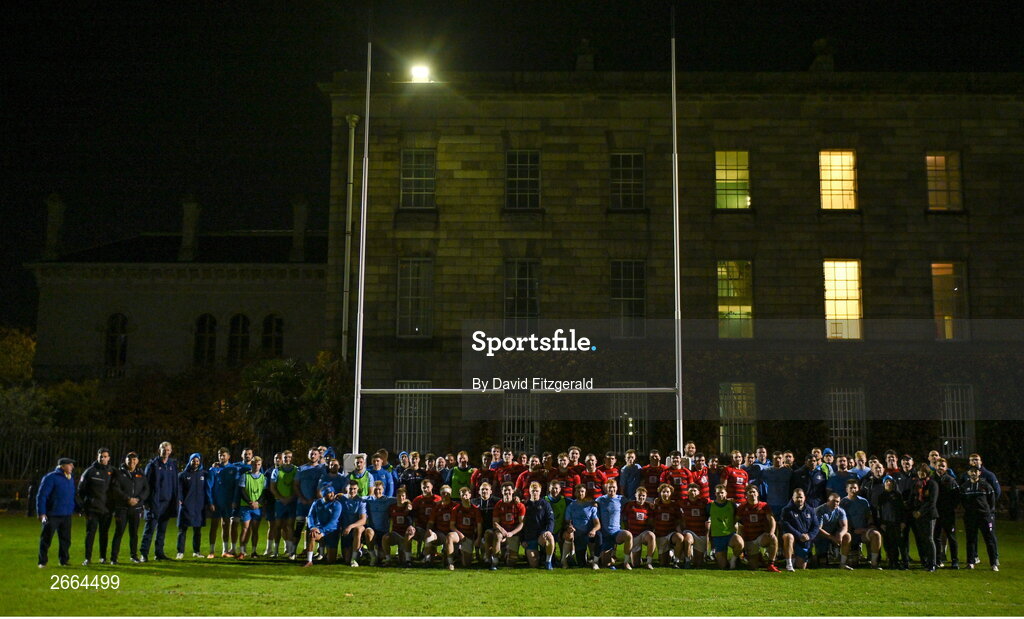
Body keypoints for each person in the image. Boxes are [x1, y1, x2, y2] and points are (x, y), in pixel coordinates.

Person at [141, 441, 179, 561]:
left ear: (171, 451)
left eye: (168, 450)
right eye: (163, 449)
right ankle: (144, 554)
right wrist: (146, 502)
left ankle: (159, 553)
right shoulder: (152, 465)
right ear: (159, 450)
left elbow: (175, 484)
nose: (166, 452)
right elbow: (146, 485)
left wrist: (175, 500)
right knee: (150, 529)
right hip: (155, 503)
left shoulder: (172, 465)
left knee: (162, 530)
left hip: (167, 503)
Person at [110, 452, 149, 564]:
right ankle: (114, 558)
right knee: (119, 533)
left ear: (137, 461)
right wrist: (127, 498)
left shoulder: (140, 474)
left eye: (134, 460)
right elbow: (115, 488)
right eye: (130, 459)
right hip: (122, 508)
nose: (132, 462)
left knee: (134, 533)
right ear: (125, 460)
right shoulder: (118, 473)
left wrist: (138, 499)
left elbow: (146, 489)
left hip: (135, 509)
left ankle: (134, 556)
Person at [37, 457, 76, 568]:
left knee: (66, 540)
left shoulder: (70, 478)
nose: (72, 467)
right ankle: (42, 562)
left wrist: (76, 508)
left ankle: (64, 561)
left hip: (66, 514)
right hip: (52, 514)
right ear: (62, 466)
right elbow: (42, 496)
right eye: (70, 464)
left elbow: (71, 496)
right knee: (46, 539)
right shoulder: (51, 477)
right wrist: (42, 513)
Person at [77, 447, 114, 566]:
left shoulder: (112, 472)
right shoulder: (90, 471)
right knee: (90, 534)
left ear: (109, 458)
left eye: (104, 456)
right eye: (100, 456)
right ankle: (88, 558)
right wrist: (85, 505)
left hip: (106, 509)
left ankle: (103, 557)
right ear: (97, 457)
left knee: (104, 534)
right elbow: (80, 490)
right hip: (92, 509)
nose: (102, 458)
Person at [960, 466, 999, 571]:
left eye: (975, 471)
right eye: (971, 471)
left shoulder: (985, 485)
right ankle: (970, 562)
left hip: (984, 517)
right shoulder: (964, 486)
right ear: (968, 473)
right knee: (971, 540)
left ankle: (994, 563)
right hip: (970, 517)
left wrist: (989, 513)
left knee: (989, 539)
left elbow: (992, 501)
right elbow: (963, 501)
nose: (973, 473)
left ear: (979, 473)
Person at [840, 477, 882, 569]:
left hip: (862, 532)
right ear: (846, 489)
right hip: (850, 531)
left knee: (876, 535)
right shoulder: (843, 502)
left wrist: (869, 527)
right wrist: (852, 529)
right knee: (846, 536)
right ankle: (843, 563)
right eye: (851, 488)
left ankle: (874, 563)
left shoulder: (863, 501)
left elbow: (869, 516)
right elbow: (841, 520)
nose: (853, 490)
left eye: (855, 487)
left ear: (858, 488)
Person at [206, 447, 240, 558]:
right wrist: (210, 502)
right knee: (214, 525)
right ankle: (211, 551)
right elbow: (209, 487)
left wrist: (234, 500)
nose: (221, 457)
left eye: (224, 455)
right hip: (216, 502)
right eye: (220, 455)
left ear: (229, 456)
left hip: (228, 502)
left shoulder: (234, 469)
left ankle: (225, 551)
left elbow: (236, 487)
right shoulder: (213, 469)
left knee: (225, 525)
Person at [736, 485, 780, 571]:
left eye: (754, 492)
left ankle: (771, 564)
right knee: (754, 567)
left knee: (773, 538)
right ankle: (758, 557)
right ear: (746, 495)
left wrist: (771, 532)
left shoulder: (764, 506)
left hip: (761, 536)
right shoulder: (742, 507)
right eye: (750, 492)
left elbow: (772, 520)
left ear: (757, 494)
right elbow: (735, 521)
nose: (752, 494)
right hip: (749, 539)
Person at [292, 447, 324, 557]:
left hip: (316, 504)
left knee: (315, 527)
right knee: (299, 526)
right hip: (303, 503)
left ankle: (318, 552)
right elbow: (296, 485)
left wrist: (316, 500)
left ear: (319, 455)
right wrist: (302, 498)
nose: (313, 456)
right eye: (311, 454)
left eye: (315, 454)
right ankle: (292, 552)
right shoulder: (301, 469)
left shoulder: (323, 468)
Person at [176, 452, 208, 559]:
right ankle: (180, 552)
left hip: (199, 506)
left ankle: (196, 551)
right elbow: (179, 489)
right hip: (186, 506)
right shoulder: (183, 475)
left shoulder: (204, 474)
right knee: (182, 530)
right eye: (193, 460)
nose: (195, 462)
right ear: (190, 461)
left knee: (197, 531)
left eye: (197, 461)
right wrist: (180, 499)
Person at [779, 487, 820, 571]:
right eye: (797, 497)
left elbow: (816, 526)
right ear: (793, 498)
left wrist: (809, 536)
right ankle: (789, 564)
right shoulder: (786, 510)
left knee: (801, 566)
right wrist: (799, 535)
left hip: (805, 540)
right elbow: (785, 525)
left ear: (804, 498)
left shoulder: (810, 510)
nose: (799, 499)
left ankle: (794, 557)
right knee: (788, 536)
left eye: (801, 497)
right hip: (794, 538)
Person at [303, 483, 342, 567]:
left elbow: (333, 522)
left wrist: (321, 531)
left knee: (331, 560)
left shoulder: (337, 505)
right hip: (319, 529)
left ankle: (325, 554)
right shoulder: (316, 503)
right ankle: (309, 561)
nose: (332, 494)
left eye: (333, 492)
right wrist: (312, 527)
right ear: (324, 494)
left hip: (332, 531)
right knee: (312, 535)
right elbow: (310, 516)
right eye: (329, 492)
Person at [268, 449, 298, 558]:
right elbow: (273, 488)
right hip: (280, 502)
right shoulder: (277, 471)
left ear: (292, 458)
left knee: (290, 526)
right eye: (285, 457)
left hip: (291, 502)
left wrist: (291, 498)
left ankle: (290, 551)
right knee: (278, 526)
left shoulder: (296, 470)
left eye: (289, 457)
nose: (287, 459)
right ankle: (275, 551)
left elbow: (297, 486)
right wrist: (281, 498)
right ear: (282, 458)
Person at [563, 482, 600, 569]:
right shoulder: (571, 506)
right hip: (578, 534)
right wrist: (570, 526)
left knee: (600, 536)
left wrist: (593, 530)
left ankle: (594, 560)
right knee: (581, 563)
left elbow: (597, 524)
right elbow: (567, 521)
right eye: (578, 491)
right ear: (575, 493)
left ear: (585, 492)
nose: (580, 493)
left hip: (589, 533)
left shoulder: (591, 505)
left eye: (582, 491)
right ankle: (578, 557)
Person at [910, 463, 939, 571]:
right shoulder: (916, 484)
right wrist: (913, 510)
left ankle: (932, 563)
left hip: (929, 515)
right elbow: (912, 498)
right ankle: (925, 561)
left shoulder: (932, 484)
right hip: (917, 515)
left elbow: (932, 502)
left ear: (927, 472)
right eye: (919, 471)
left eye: (923, 471)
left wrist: (920, 512)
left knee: (929, 538)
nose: (921, 473)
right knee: (922, 539)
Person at [594, 478, 629, 569]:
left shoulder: (621, 499)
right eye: (609, 487)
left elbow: (635, 503)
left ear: (617, 488)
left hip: (616, 533)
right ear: (606, 488)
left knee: (628, 535)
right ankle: (609, 557)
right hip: (605, 534)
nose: (611, 489)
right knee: (606, 564)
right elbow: (592, 504)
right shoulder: (600, 500)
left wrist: (650, 503)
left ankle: (626, 562)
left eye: (613, 487)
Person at [707, 483, 744, 569]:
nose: (720, 495)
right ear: (715, 494)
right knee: (723, 566)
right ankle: (719, 556)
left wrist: (734, 524)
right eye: (718, 493)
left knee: (740, 543)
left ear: (726, 493)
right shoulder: (710, 506)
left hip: (730, 534)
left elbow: (737, 516)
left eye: (722, 493)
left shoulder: (731, 504)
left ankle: (734, 559)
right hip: (717, 536)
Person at [237, 456, 267, 559]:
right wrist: (250, 502)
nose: (256, 466)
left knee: (255, 530)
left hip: (257, 507)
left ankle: (254, 551)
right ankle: (242, 551)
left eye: (258, 464)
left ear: (261, 465)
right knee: (245, 529)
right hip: (246, 506)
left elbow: (264, 493)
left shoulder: (263, 478)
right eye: (254, 464)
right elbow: (242, 491)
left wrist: (258, 502)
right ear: (251, 464)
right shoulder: (245, 476)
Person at [521, 481, 556, 569]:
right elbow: (521, 524)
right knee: (534, 565)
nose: (535, 493)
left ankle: (548, 561)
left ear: (540, 491)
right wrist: (522, 539)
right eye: (533, 491)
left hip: (542, 535)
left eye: (537, 491)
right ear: (529, 491)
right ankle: (541, 556)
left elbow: (551, 520)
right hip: (530, 536)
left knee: (550, 537)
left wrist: (548, 531)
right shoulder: (525, 505)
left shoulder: (545, 504)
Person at [491, 482, 526, 570]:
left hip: (514, 533)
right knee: (497, 535)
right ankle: (494, 561)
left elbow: (521, 523)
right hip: (503, 531)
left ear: (513, 491)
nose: (507, 492)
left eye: (509, 490)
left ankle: (506, 551)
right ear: (502, 492)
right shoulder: (498, 504)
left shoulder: (519, 505)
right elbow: (495, 522)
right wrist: (502, 530)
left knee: (511, 563)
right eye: (505, 490)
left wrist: (511, 533)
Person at [933, 457, 960, 569]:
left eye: (943, 466)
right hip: (935, 514)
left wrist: (952, 508)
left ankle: (955, 560)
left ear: (946, 468)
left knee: (951, 537)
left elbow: (957, 497)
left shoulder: (951, 480)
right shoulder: (932, 479)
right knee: (936, 537)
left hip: (948, 514)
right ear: (935, 466)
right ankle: (938, 560)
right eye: (939, 465)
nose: (940, 468)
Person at [875, 475, 907, 569]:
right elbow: (879, 511)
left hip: (896, 522)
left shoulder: (897, 495)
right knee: (888, 543)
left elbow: (902, 510)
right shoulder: (881, 496)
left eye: (890, 481)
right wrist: (881, 523)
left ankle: (900, 562)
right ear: (884, 484)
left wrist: (903, 522)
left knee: (898, 543)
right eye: (887, 482)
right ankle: (891, 562)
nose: (889, 483)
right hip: (886, 523)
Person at [813, 491, 851, 569]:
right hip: (820, 536)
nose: (836, 503)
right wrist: (832, 538)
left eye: (837, 501)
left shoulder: (840, 511)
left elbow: (845, 526)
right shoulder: (820, 510)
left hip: (833, 534)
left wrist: (840, 534)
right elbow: (818, 529)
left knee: (847, 535)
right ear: (828, 501)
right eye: (833, 501)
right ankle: (814, 556)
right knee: (822, 563)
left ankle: (843, 562)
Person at [622, 486, 656, 569]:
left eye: (643, 496)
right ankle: (636, 556)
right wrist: (627, 528)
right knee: (635, 564)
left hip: (643, 534)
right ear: (635, 495)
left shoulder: (648, 507)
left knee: (651, 535)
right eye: (639, 495)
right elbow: (624, 517)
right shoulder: (630, 505)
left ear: (646, 497)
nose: (641, 497)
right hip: (633, 535)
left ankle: (648, 562)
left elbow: (651, 520)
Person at [362, 481, 395, 566]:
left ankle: (379, 552)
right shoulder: (369, 499)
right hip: (373, 531)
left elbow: (401, 499)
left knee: (381, 557)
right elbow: (356, 497)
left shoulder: (388, 500)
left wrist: (408, 503)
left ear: (383, 489)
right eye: (375, 489)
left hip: (383, 532)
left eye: (379, 489)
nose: (377, 491)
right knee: (368, 531)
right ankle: (373, 557)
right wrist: (342, 495)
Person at [337, 480, 367, 567]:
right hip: (345, 530)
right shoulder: (341, 499)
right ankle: (359, 551)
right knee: (346, 559)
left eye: (354, 489)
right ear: (347, 489)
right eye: (350, 488)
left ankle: (354, 559)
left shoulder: (361, 501)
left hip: (355, 529)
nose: (352, 491)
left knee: (358, 530)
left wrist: (350, 526)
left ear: (357, 489)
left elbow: (363, 520)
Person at [451, 486, 482, 568]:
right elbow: (452, 526)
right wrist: (460, 534)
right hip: (458, 535)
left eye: (466, 495)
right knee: (450, 536)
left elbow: (479, 525)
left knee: (466, 564)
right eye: (462, 495)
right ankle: (450, 561)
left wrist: (478, 538)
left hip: (469, 536)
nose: (464, 497)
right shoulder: (456, 509)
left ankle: (462, 554)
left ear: (470, 495)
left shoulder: (475, 509)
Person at [384, 486, 415, 566]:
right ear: (396, 496)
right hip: (395, 533)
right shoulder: (392, 507)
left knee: (402, 561)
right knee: (385, 538)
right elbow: (388, 519)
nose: (401, 498)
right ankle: (388, 560)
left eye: (403, 496)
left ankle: (408, 560)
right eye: (399, 496)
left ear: (405, 497)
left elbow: (412, 521)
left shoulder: (409, 507)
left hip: (405, 534)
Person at [428, 484, 458, 568]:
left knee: (464, 561)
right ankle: (427, 560)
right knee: (429, 536)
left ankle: (450, 562)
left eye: (447, 493)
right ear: (440, 494)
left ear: (451, 494)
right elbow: (430, 522)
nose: (445, 495)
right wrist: (429, 530)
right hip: (440, 533)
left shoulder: (455, 506)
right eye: (443, 493)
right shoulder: (436, 506)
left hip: (452, 533)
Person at [677, 483, 706, 568]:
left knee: (698, 563)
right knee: (688, 539)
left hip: (701, 533)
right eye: (691, 491)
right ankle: (687, 560)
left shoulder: (704, 502)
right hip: (689, 530)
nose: (693, 492)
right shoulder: (682, 502)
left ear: (698, 492)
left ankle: (695, 556)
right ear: (687, 492)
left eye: (695, 491)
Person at [473, 481, 499, 564]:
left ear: (491, 491)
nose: (484, 491)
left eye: (486, 489)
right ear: (479, 491)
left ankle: (491, 557)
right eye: (482, 489)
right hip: (477, 530)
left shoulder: (497, 502)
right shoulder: (473, 502)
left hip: (492, 529)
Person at [761, 451, 793, 518]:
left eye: (780, 458)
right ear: (772, 460)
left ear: (783, 459)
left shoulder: (789, 471)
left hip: (784, 504)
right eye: (776, 458)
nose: (778, 460)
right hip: (771, 503)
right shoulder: (766, 471)